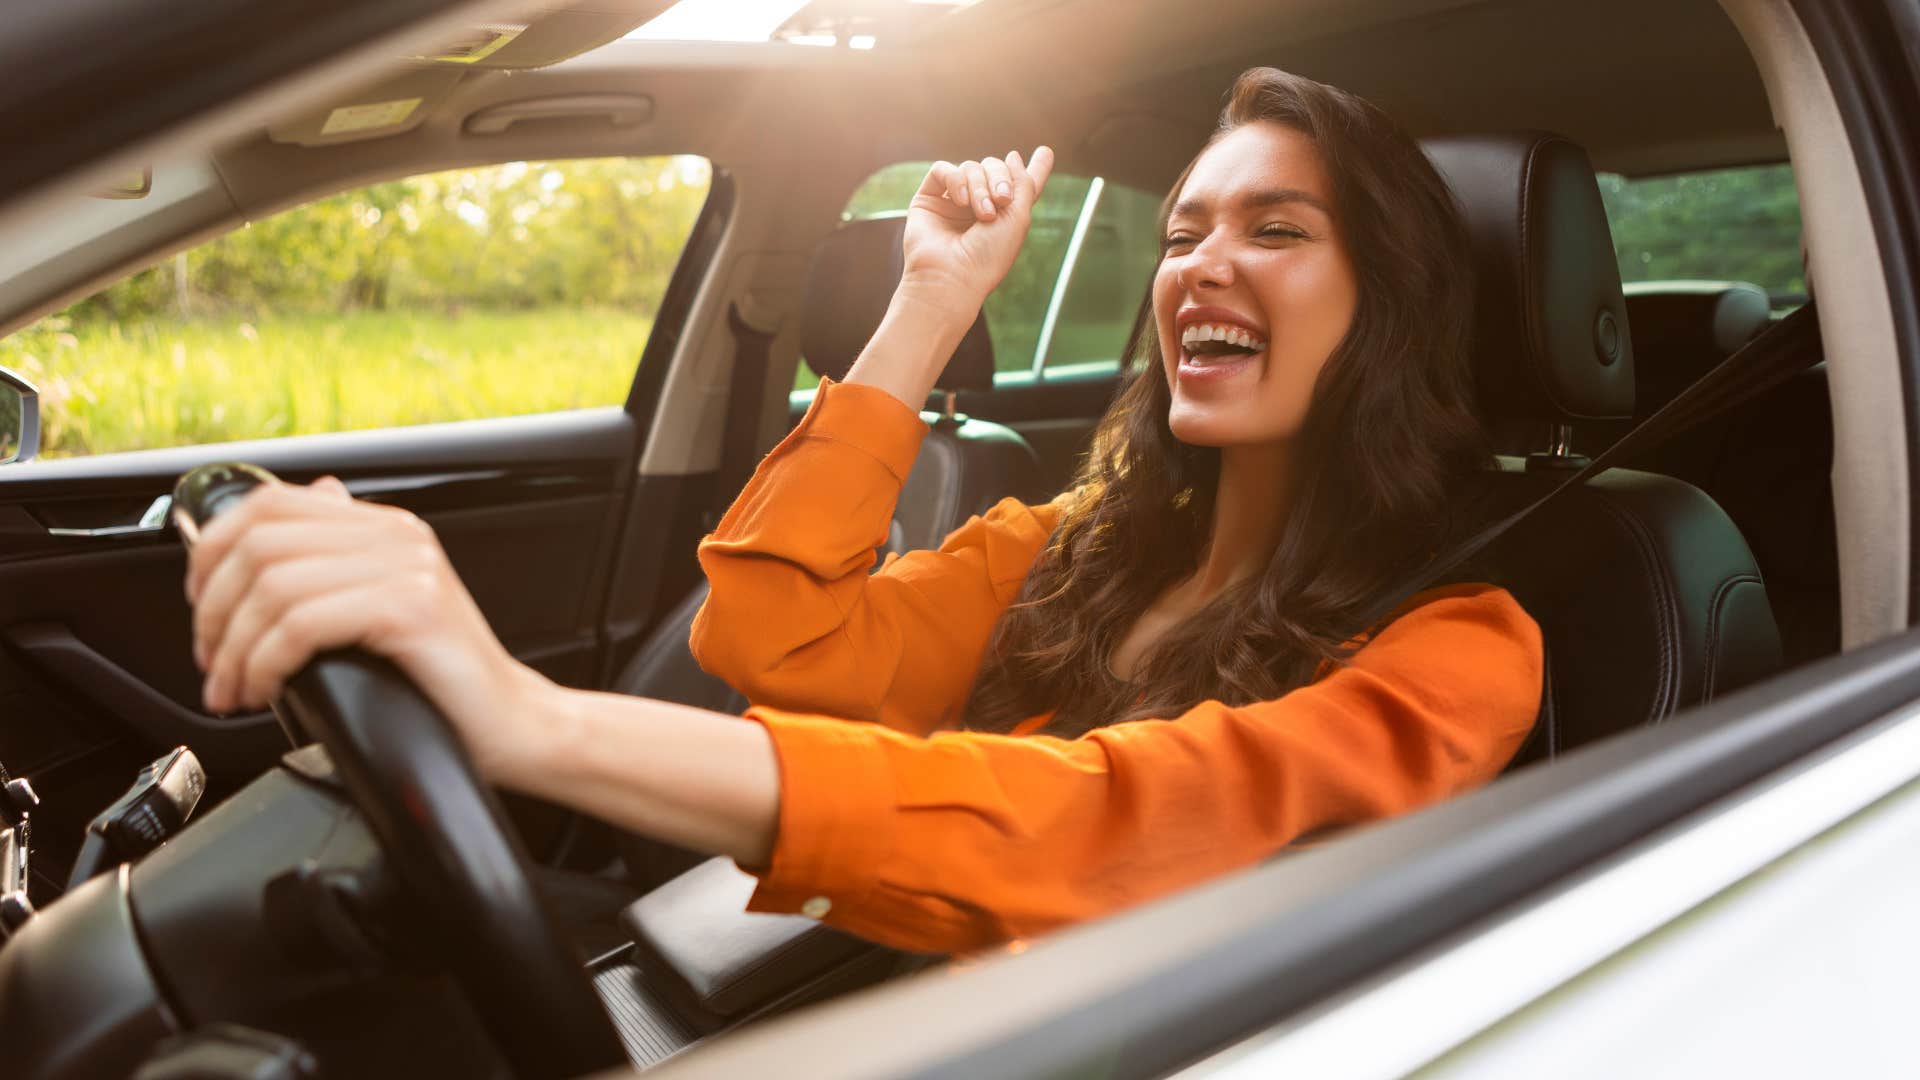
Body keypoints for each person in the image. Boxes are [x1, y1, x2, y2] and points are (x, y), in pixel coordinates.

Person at [185, 68, 1542, 955]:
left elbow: (1106, 828)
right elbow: (769, 637)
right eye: (1184, 233)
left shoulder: (1460, 651)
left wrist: (528, 718)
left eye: (1277, 230)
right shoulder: (1071, 546)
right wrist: (934, 301)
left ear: (1390, 306)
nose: (1200, 268)